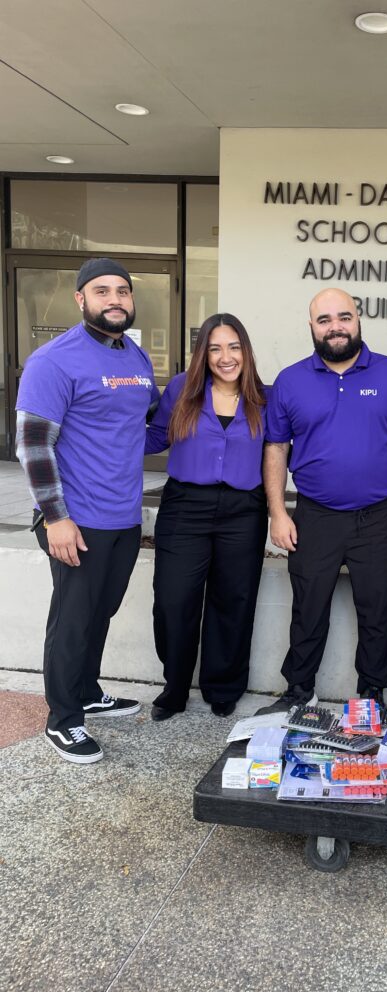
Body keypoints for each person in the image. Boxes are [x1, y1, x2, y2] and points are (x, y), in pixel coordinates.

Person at [259, 287, 387, 713]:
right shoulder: (291, 380)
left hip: (379, 516)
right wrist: (278, 512)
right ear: (312, 327)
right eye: (324, 320)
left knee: (376, 609)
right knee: (308, 606)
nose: (335, 327)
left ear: (358, 320)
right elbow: (276, 448)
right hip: (316, 515)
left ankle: (372, 695)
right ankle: (299, 691)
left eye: (343, 317)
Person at [15, 257, 159, 764]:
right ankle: (63, 718)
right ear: (81, 299)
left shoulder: (135, 358)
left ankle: (88, 690)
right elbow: (33, 446)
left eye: (122, 290)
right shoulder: (53, 361)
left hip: (122, 515)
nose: (115, 299)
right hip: (75, 518)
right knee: (73, 618)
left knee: (101, 611)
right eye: (102, 291)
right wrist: (55, 517)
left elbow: (145, 425)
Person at [145, 313, 269, 720]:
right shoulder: (182, 388)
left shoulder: (263, 398)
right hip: (185, 507)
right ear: (203, 354)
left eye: (233, 346)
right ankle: (175, 687)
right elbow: (155, 435)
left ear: (245, 351)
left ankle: (223, 686)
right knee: (173, 600)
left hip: (243, 510)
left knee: (233, 599)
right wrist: (100, 431)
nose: (225, 356)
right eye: (215, 348)